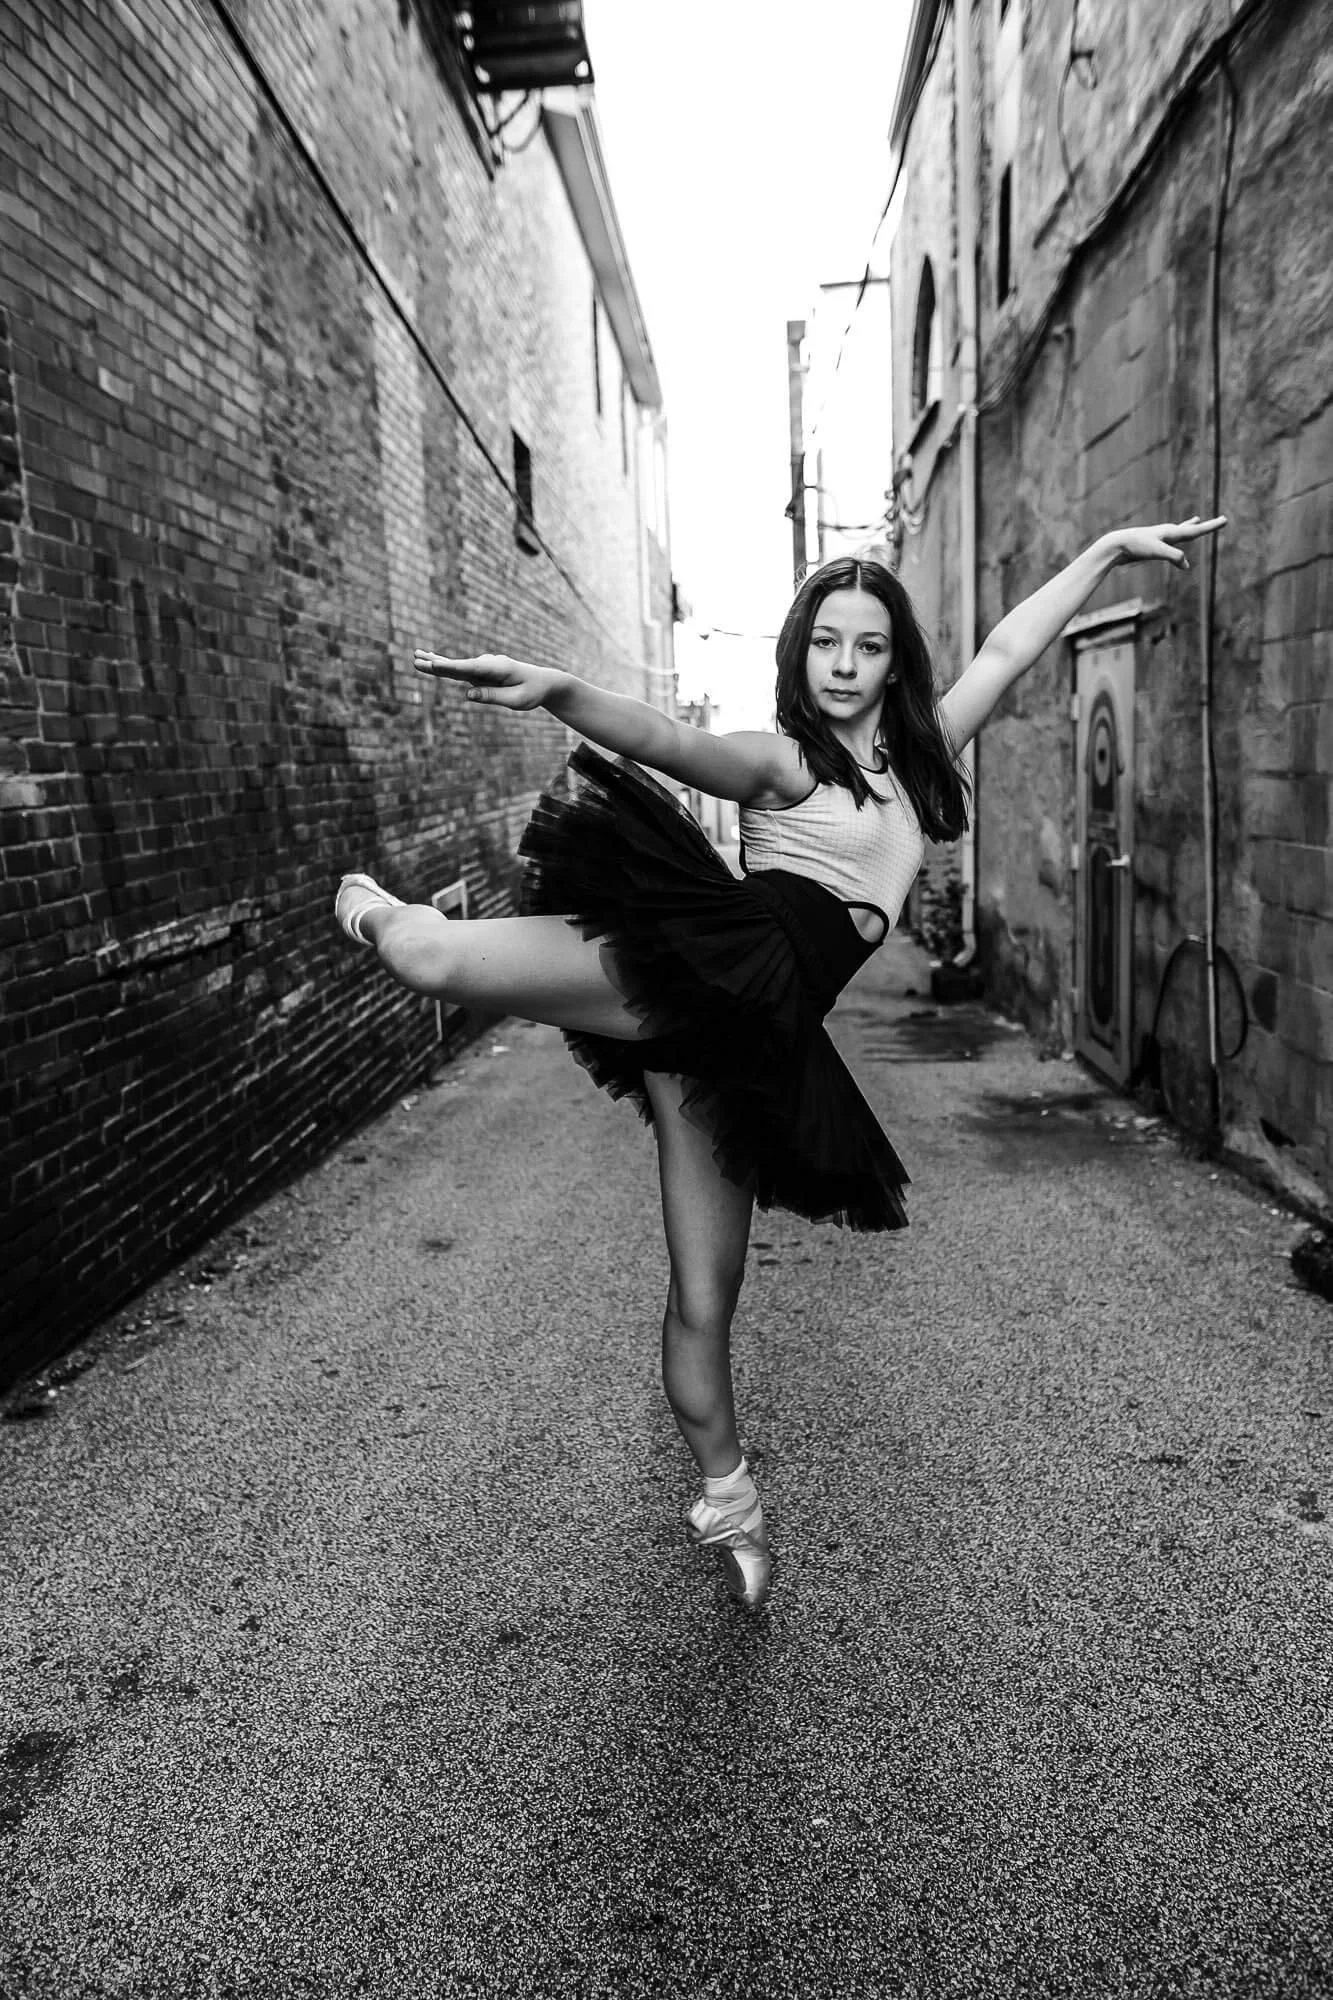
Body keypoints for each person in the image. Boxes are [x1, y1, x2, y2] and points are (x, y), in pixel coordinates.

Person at [334, 517, 1225, 1609]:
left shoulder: (922, 758)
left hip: (746, 1044)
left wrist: (1105, 553)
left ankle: (730, 1500)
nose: (844, 666)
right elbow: (667, 738)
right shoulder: (782, 757)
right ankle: (379, 907)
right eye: (826, 643)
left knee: (706, 1295)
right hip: (696, 971)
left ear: (895, 660)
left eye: (868, 646)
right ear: (799, 649)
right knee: (429, 954)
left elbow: (1005, 650)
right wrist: (561, 688)